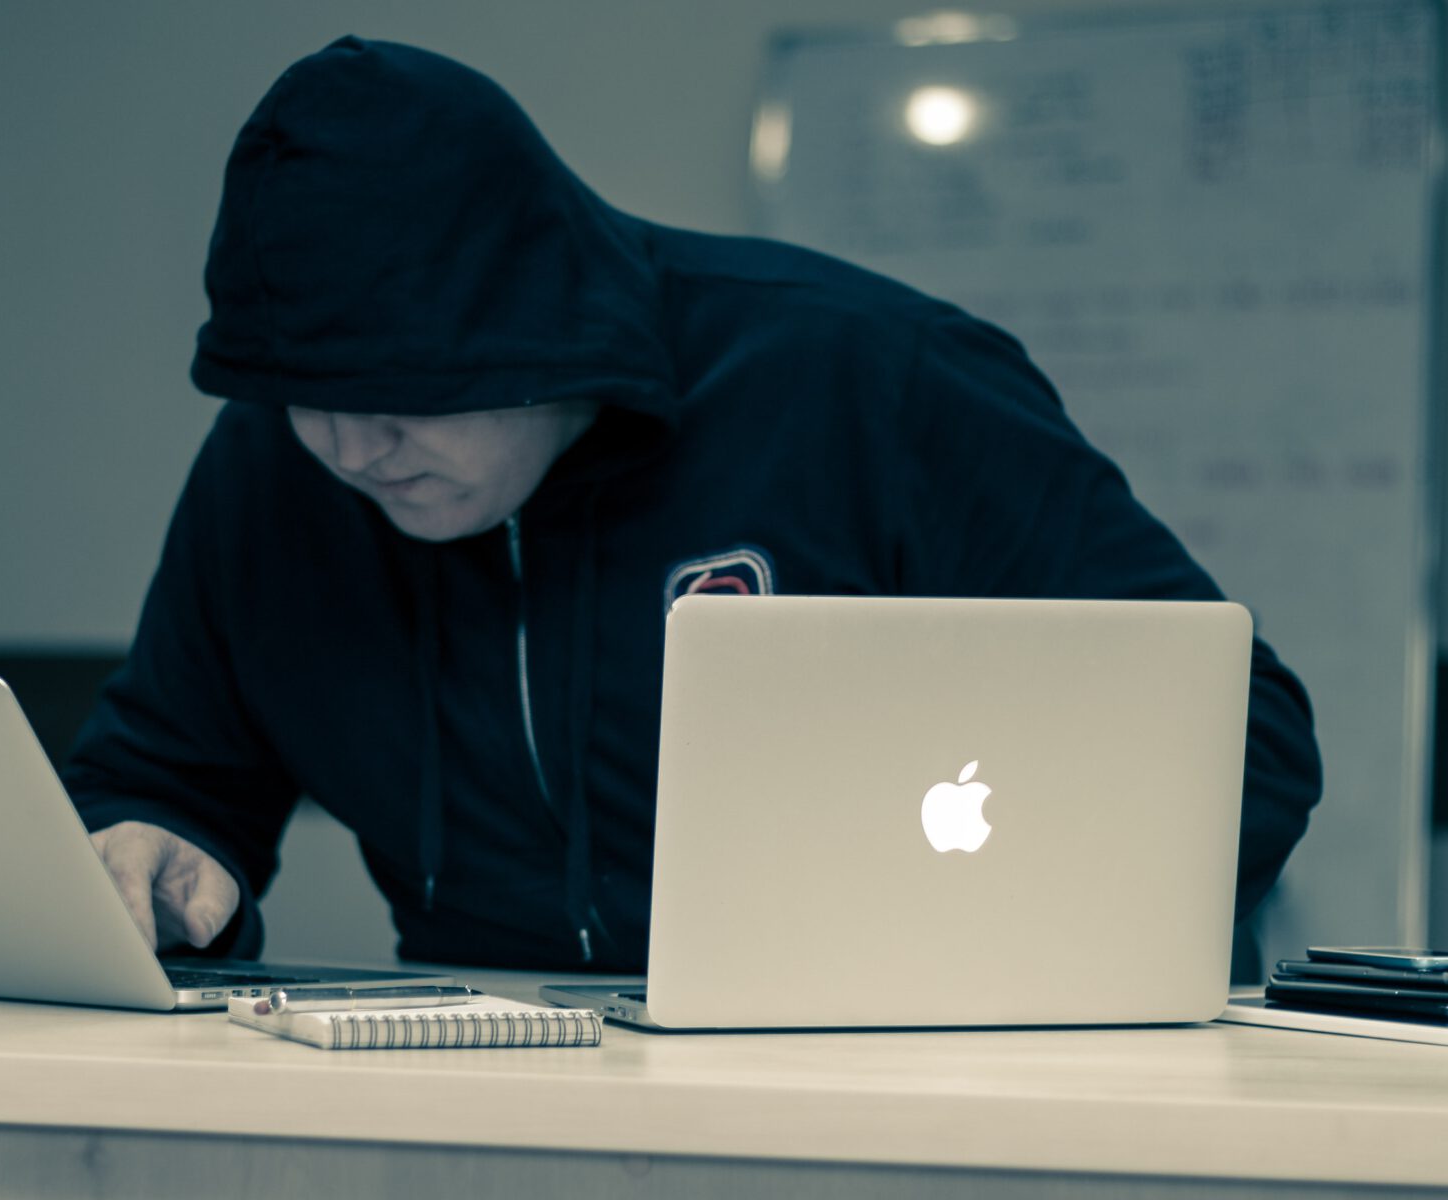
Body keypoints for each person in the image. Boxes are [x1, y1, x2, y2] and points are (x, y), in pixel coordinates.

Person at [64, 36, 1322, 973]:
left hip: (906, 1069)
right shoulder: (276, 466)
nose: (349, 445)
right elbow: (168, 773)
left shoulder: (866, 381)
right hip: (494, 1088)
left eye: (401, 392)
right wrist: (156, 850)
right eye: (297, 394)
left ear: (536, 328)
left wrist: (970, 958)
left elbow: (1239, 741)